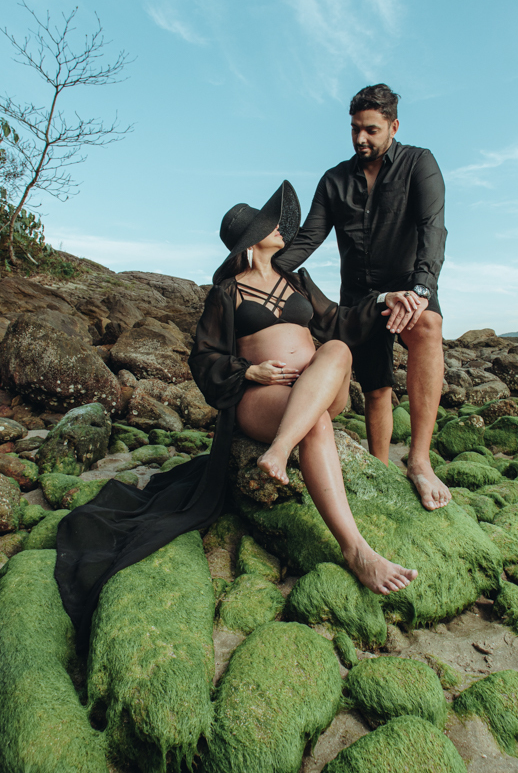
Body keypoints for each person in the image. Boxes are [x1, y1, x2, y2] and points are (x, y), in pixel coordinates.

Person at [56, 181, 417, 651]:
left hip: (318, 388)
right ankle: (357, 550)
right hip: (264, 396)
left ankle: (279, 451)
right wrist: (251, 370)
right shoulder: (225, 293)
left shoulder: (298, 281)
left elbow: (340, 321)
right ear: (254, 237)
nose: (283, 231)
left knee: (336, 348)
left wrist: (382, 301)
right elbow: (203, 360)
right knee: (318, 424)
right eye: (274, 225)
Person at [277, 84, 450, 512]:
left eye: (371, 130)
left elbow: (433, 229)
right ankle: (378, 465)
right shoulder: (334, 180)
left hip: (411, 288)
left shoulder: (419, 163)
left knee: (428, 326)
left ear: (393, 126)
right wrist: (264, 265)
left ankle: (420, 461)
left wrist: (421, 291)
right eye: (355, 129)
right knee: (375, 389)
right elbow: (308, 238)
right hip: (360, 297)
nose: (361, 139)